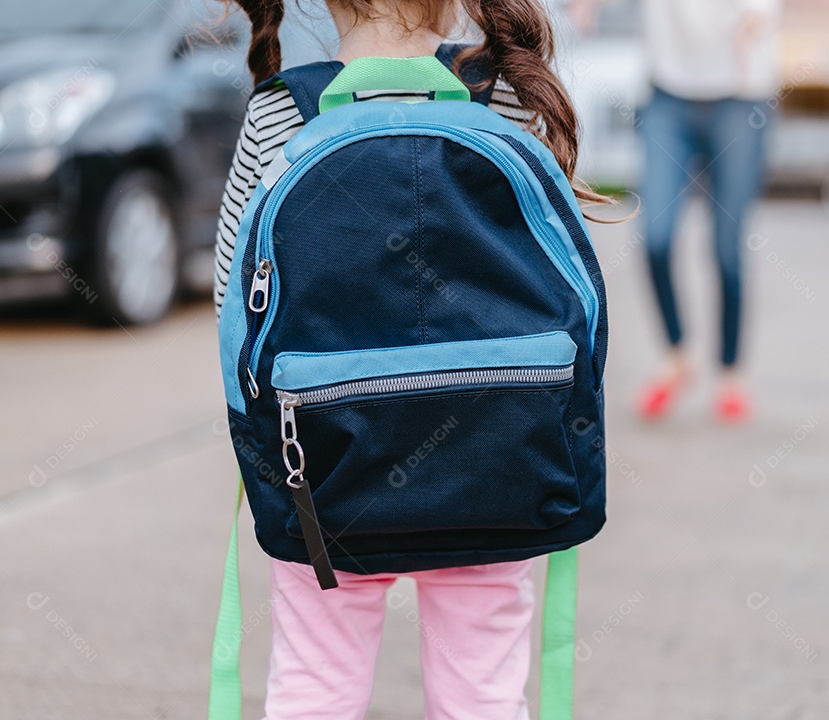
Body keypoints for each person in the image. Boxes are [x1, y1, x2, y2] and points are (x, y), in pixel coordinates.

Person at [213, 1, 609, 718]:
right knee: (483, 694)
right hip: (499, 468)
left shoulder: (279, 113)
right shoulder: (511, 94)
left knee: (314, 687)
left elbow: (230, 306)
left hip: (324, 478)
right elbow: (564, 297)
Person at [574, 0, 780, 421]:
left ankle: (730, 373)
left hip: (739, 98)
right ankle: (677, 355)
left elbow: (759, 16)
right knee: (656, 238)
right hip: (668, 97)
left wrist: (747, 31)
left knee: (726, 247)